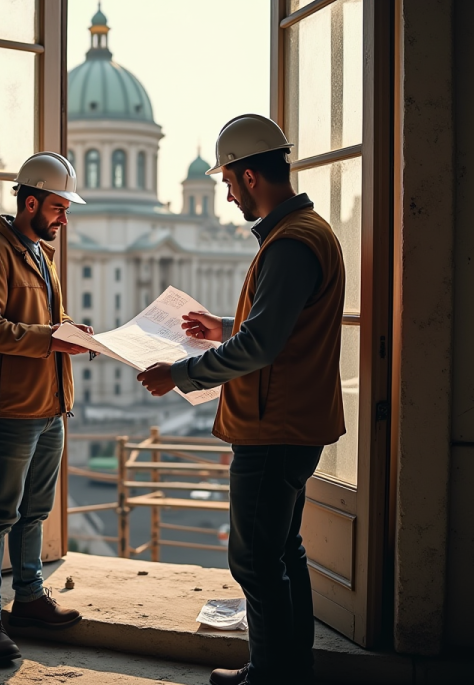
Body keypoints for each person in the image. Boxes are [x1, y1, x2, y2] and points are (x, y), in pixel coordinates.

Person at [137, 115, 346, 685]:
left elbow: (262, 343)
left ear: (250, 176)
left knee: (254, 561)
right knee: (284, 553)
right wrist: (223, 324)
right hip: (292, 420)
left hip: (274, 425)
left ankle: (271, 676)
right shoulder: (303, 233)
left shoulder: (290, 243)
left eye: (228, 181)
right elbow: (283, 326)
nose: (225, 193)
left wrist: (179, 373)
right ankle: (288, 669)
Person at [0, 152, 91, 666]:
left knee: (34, 511)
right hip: (12, 409)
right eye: (59, 207)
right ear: (30, 202)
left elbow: (44, 321)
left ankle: (30, 598)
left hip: (49, 405)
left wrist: (70, 329)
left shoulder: (40, 254)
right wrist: (52, 338)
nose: (64, 218)